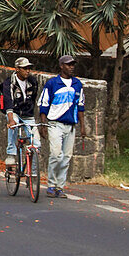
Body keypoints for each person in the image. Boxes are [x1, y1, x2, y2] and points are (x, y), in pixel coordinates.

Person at [39, 55, 84, 199]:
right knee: (56, 155)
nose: (71, 67)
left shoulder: (77, 84)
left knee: (66, 157)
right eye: (68, 64)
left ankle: (60, 186)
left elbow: (81, 106)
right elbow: (44, 104)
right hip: (55, 124)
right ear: (61, 66)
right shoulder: (52, 83)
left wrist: (82, 126)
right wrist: (44, 124)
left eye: (72, 65)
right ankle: (51, 185)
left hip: (70, 125)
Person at [0, 57, 41, 166]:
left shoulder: (33, 82)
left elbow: (33, 98)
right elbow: (8, 101)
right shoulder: (9, 83)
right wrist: (11, 120)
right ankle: (11, 154)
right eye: (24, 68)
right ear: (17, 69)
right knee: (14, 125)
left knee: (36, 144)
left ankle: (32, 173)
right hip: (14, 112)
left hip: (28, 114)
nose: (27, 71)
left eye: (29, 68)